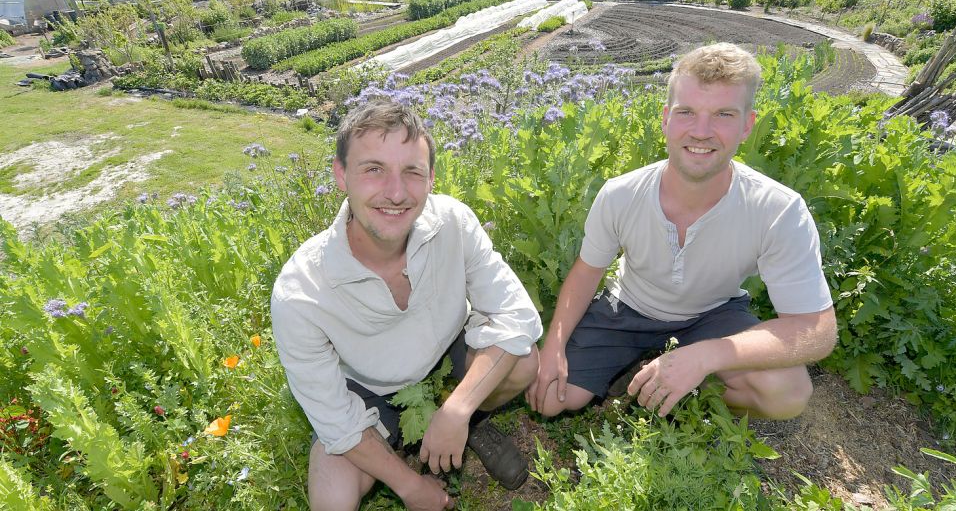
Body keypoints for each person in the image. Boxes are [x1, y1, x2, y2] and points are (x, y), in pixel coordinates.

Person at [527, 42, 837, 421]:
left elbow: (817, 331)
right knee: (550, 399)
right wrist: (554, 344)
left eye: (723, 114)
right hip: (627, 307)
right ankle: (642, 367)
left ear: (747, 125)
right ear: (665, 120)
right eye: (686, 112)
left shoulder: (778, 209)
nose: (701, 131)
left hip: (713, 315)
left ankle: (692, 385)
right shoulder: (622, 193)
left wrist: (709, 355)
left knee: (786, 392)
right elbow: (587, 272)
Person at [272, 99, 542, 511]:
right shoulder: (301, 291)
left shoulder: (453, 222)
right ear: (341, 174)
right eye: (374, 169)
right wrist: (412, 487)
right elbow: (337, 421)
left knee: (523, 360)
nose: (396, 193)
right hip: (368, 389)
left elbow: (517, 317)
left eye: (412, 172)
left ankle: (471, 424)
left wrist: (458, 409)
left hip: (446, 353)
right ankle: (396, 452)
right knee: (332, 496)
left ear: (431, 177)